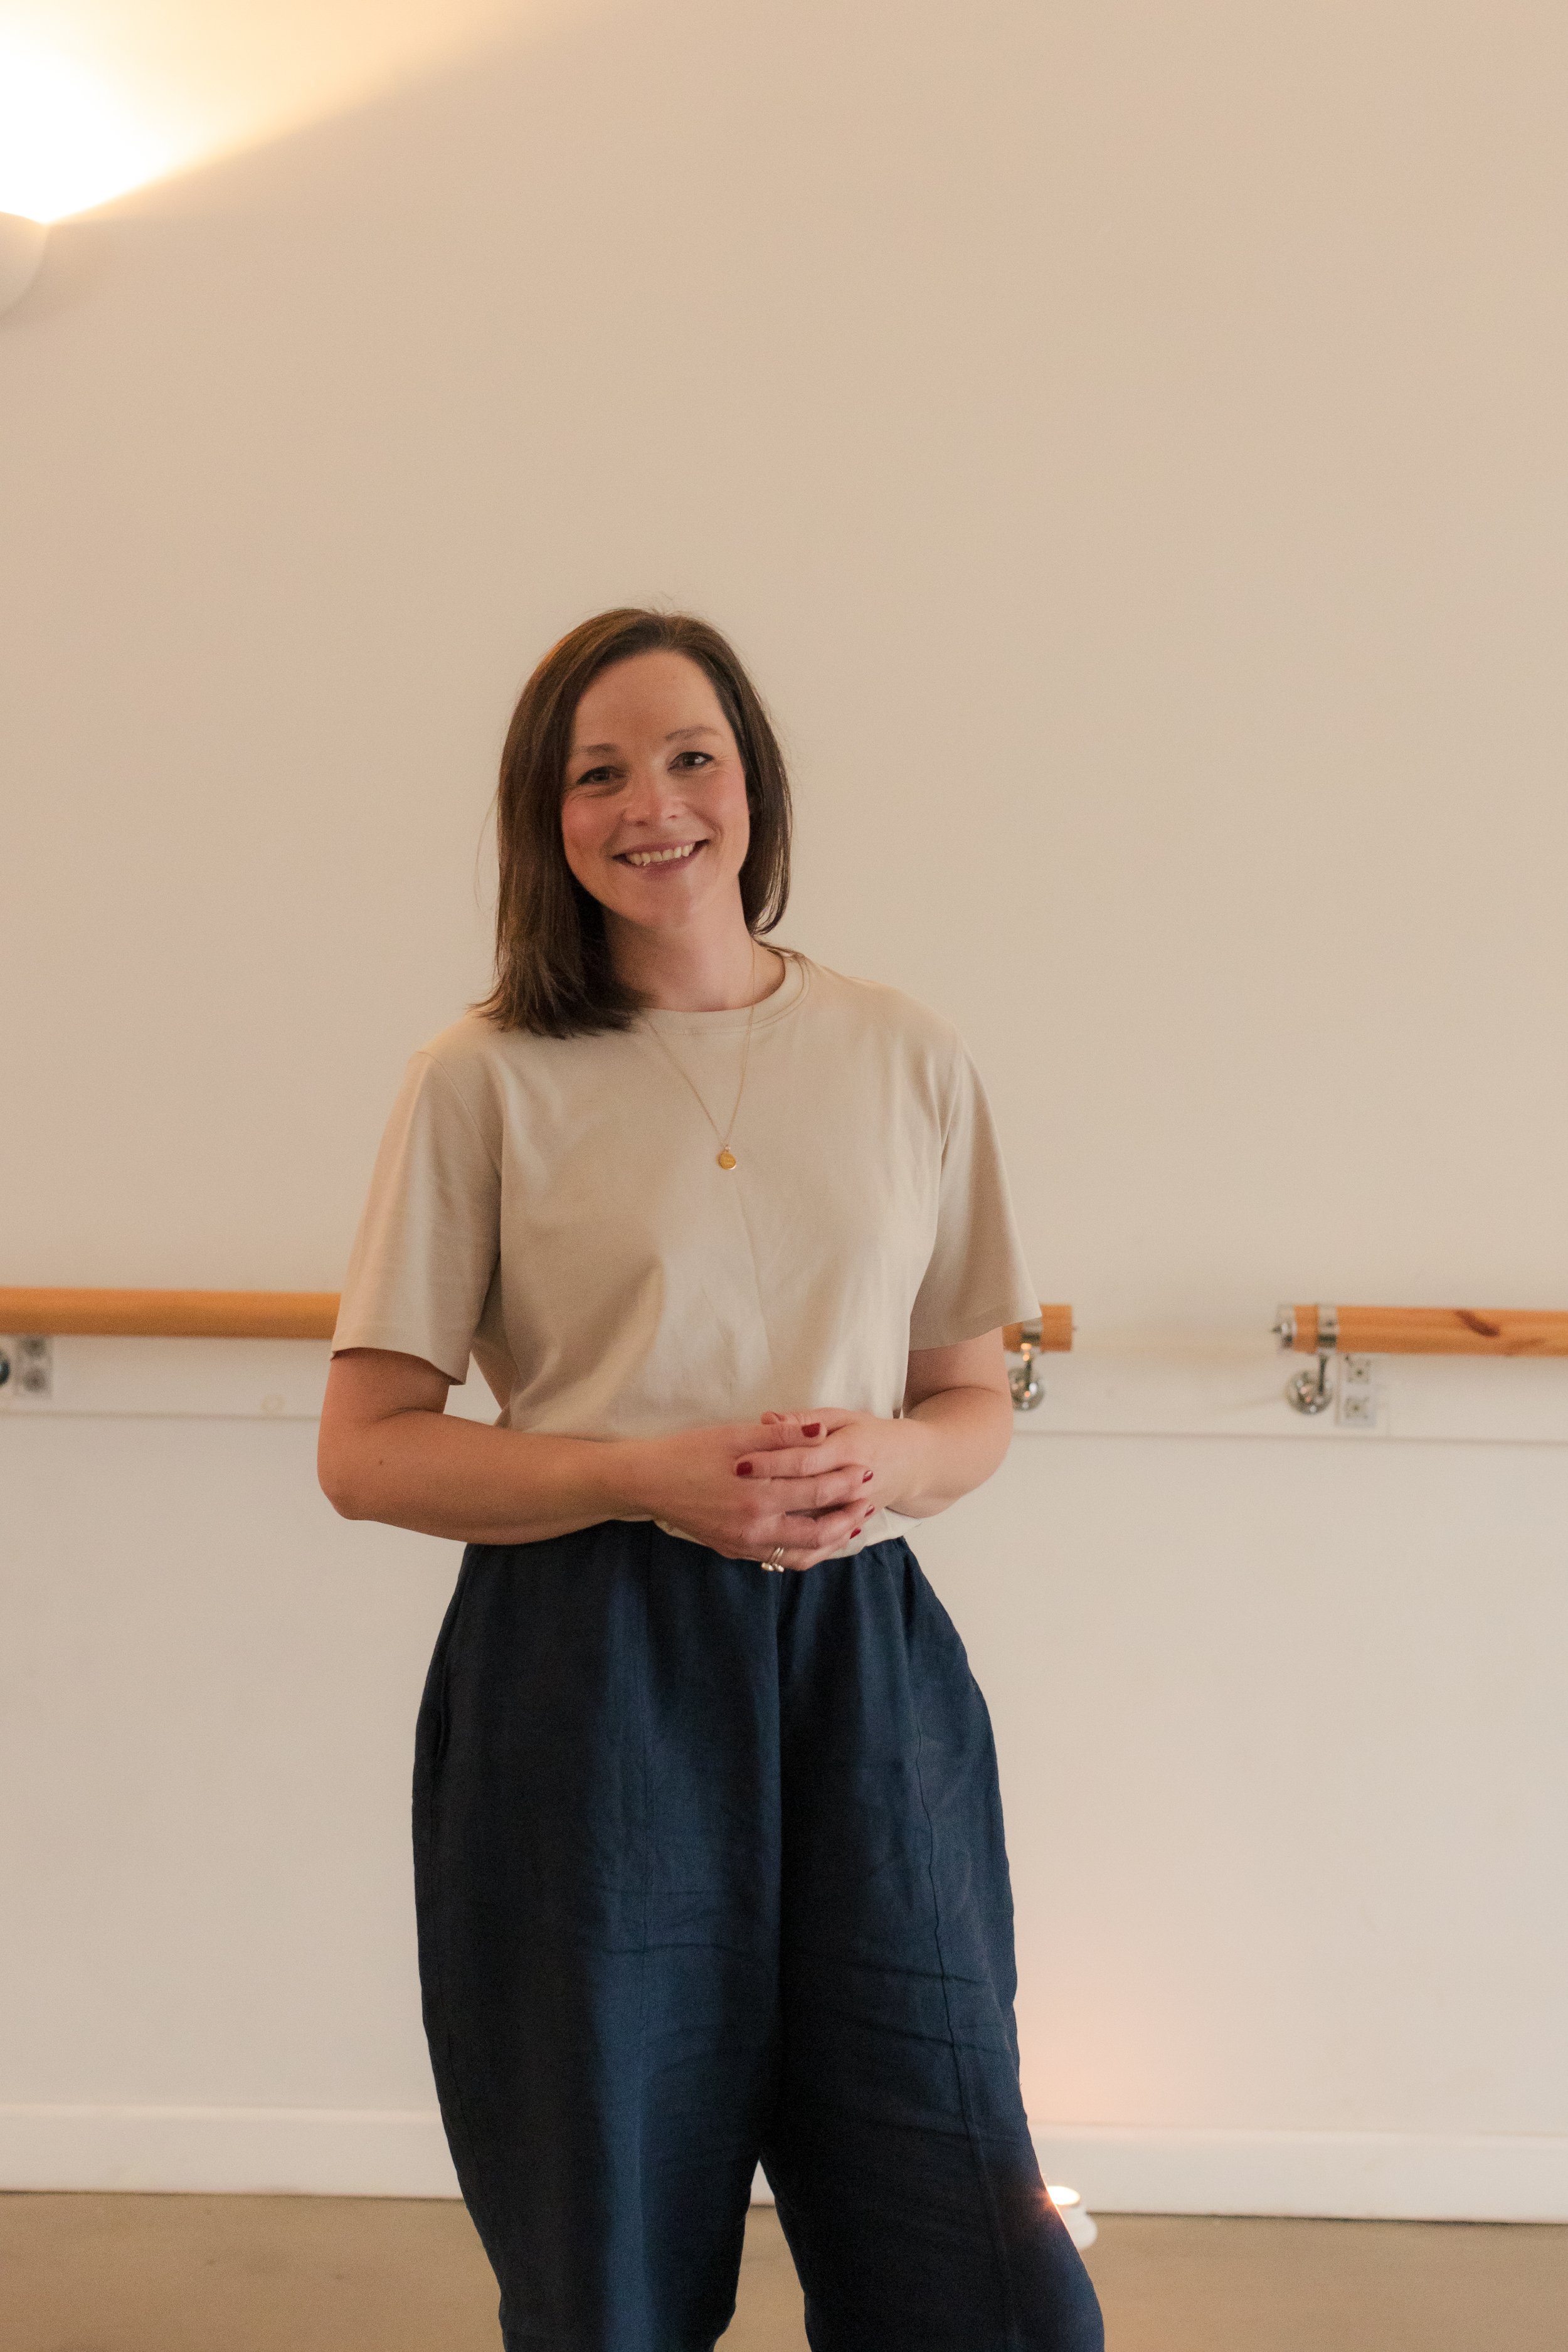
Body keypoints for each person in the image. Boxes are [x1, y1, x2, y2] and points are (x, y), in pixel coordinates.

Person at [318, 608, 1103, 2352]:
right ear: (546, 814)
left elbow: (967, 1402)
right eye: (596, 772)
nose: (650, 804)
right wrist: (634, 1476)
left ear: (753, 781)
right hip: (583, 1680)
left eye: (690, 756)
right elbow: (364, 1453)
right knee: (606, 2243)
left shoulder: (904, 1053)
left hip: (867, 1667)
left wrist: (885, 1454)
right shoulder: (481, 1081)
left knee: (973, 2244)